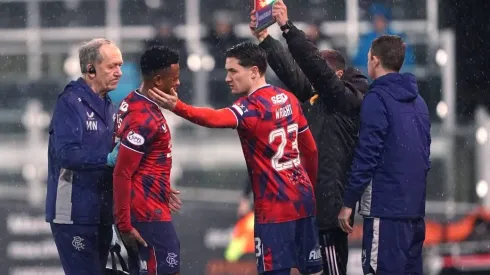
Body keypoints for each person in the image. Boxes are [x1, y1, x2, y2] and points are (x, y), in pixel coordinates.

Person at [149, 42, 323, 275]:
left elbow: (213, 118)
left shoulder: (250, 108)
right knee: (312, 270)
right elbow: (310, 151)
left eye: (233, 71)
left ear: (253, 72)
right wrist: (310, 188)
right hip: (303, 201)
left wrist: (178, 107)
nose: (227, 78)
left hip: (273, 209)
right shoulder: (289, 98)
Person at [251, 1, 369, 274]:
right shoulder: (319, 96)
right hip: (309, 206)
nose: (311, 79)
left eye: (320, 74)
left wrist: (287, 28)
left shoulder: (345, 99)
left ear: (336, 75)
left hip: (328, 211)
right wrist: (265, 39)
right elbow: (296, 75)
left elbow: (313, 69)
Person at [338, 35, 431, 275]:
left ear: (375, 61)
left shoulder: (376, 99)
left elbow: (367, 155)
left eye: (368, 57)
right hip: (414, 211)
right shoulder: (419, 101)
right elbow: (423, 154)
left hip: (385, 210)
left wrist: (349, 202)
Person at [46, 38, 123, 274]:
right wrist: (108, 159)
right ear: (91, 69)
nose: (119, 72)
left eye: (120, 65)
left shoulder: (108, 104)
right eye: (112, 66)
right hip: (73, 212)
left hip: (100, 212)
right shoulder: (70, 103)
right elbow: (67, 155)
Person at [112, 45, 183, 275]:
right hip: (146, 213)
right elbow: (122, 171)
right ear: (159, 80)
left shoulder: (133, 100)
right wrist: (124, 224)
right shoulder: (145, 120)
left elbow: (139, 161)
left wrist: (159, 182)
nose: (178, 84)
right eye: (175, 78)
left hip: (147, 204)